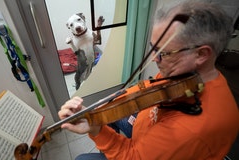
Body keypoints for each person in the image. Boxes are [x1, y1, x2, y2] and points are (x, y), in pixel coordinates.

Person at [58, 1, 239, 159]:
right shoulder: (183, 74)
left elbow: (134, 156)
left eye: (163, 53)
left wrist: (96, 130)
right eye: (153, 48)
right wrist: (110, 102)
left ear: (201, 54)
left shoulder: (192, 130)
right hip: (144, 127)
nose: (153, 58)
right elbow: (148, 88)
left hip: (144, 149)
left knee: (82, 158)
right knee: (108, 111)